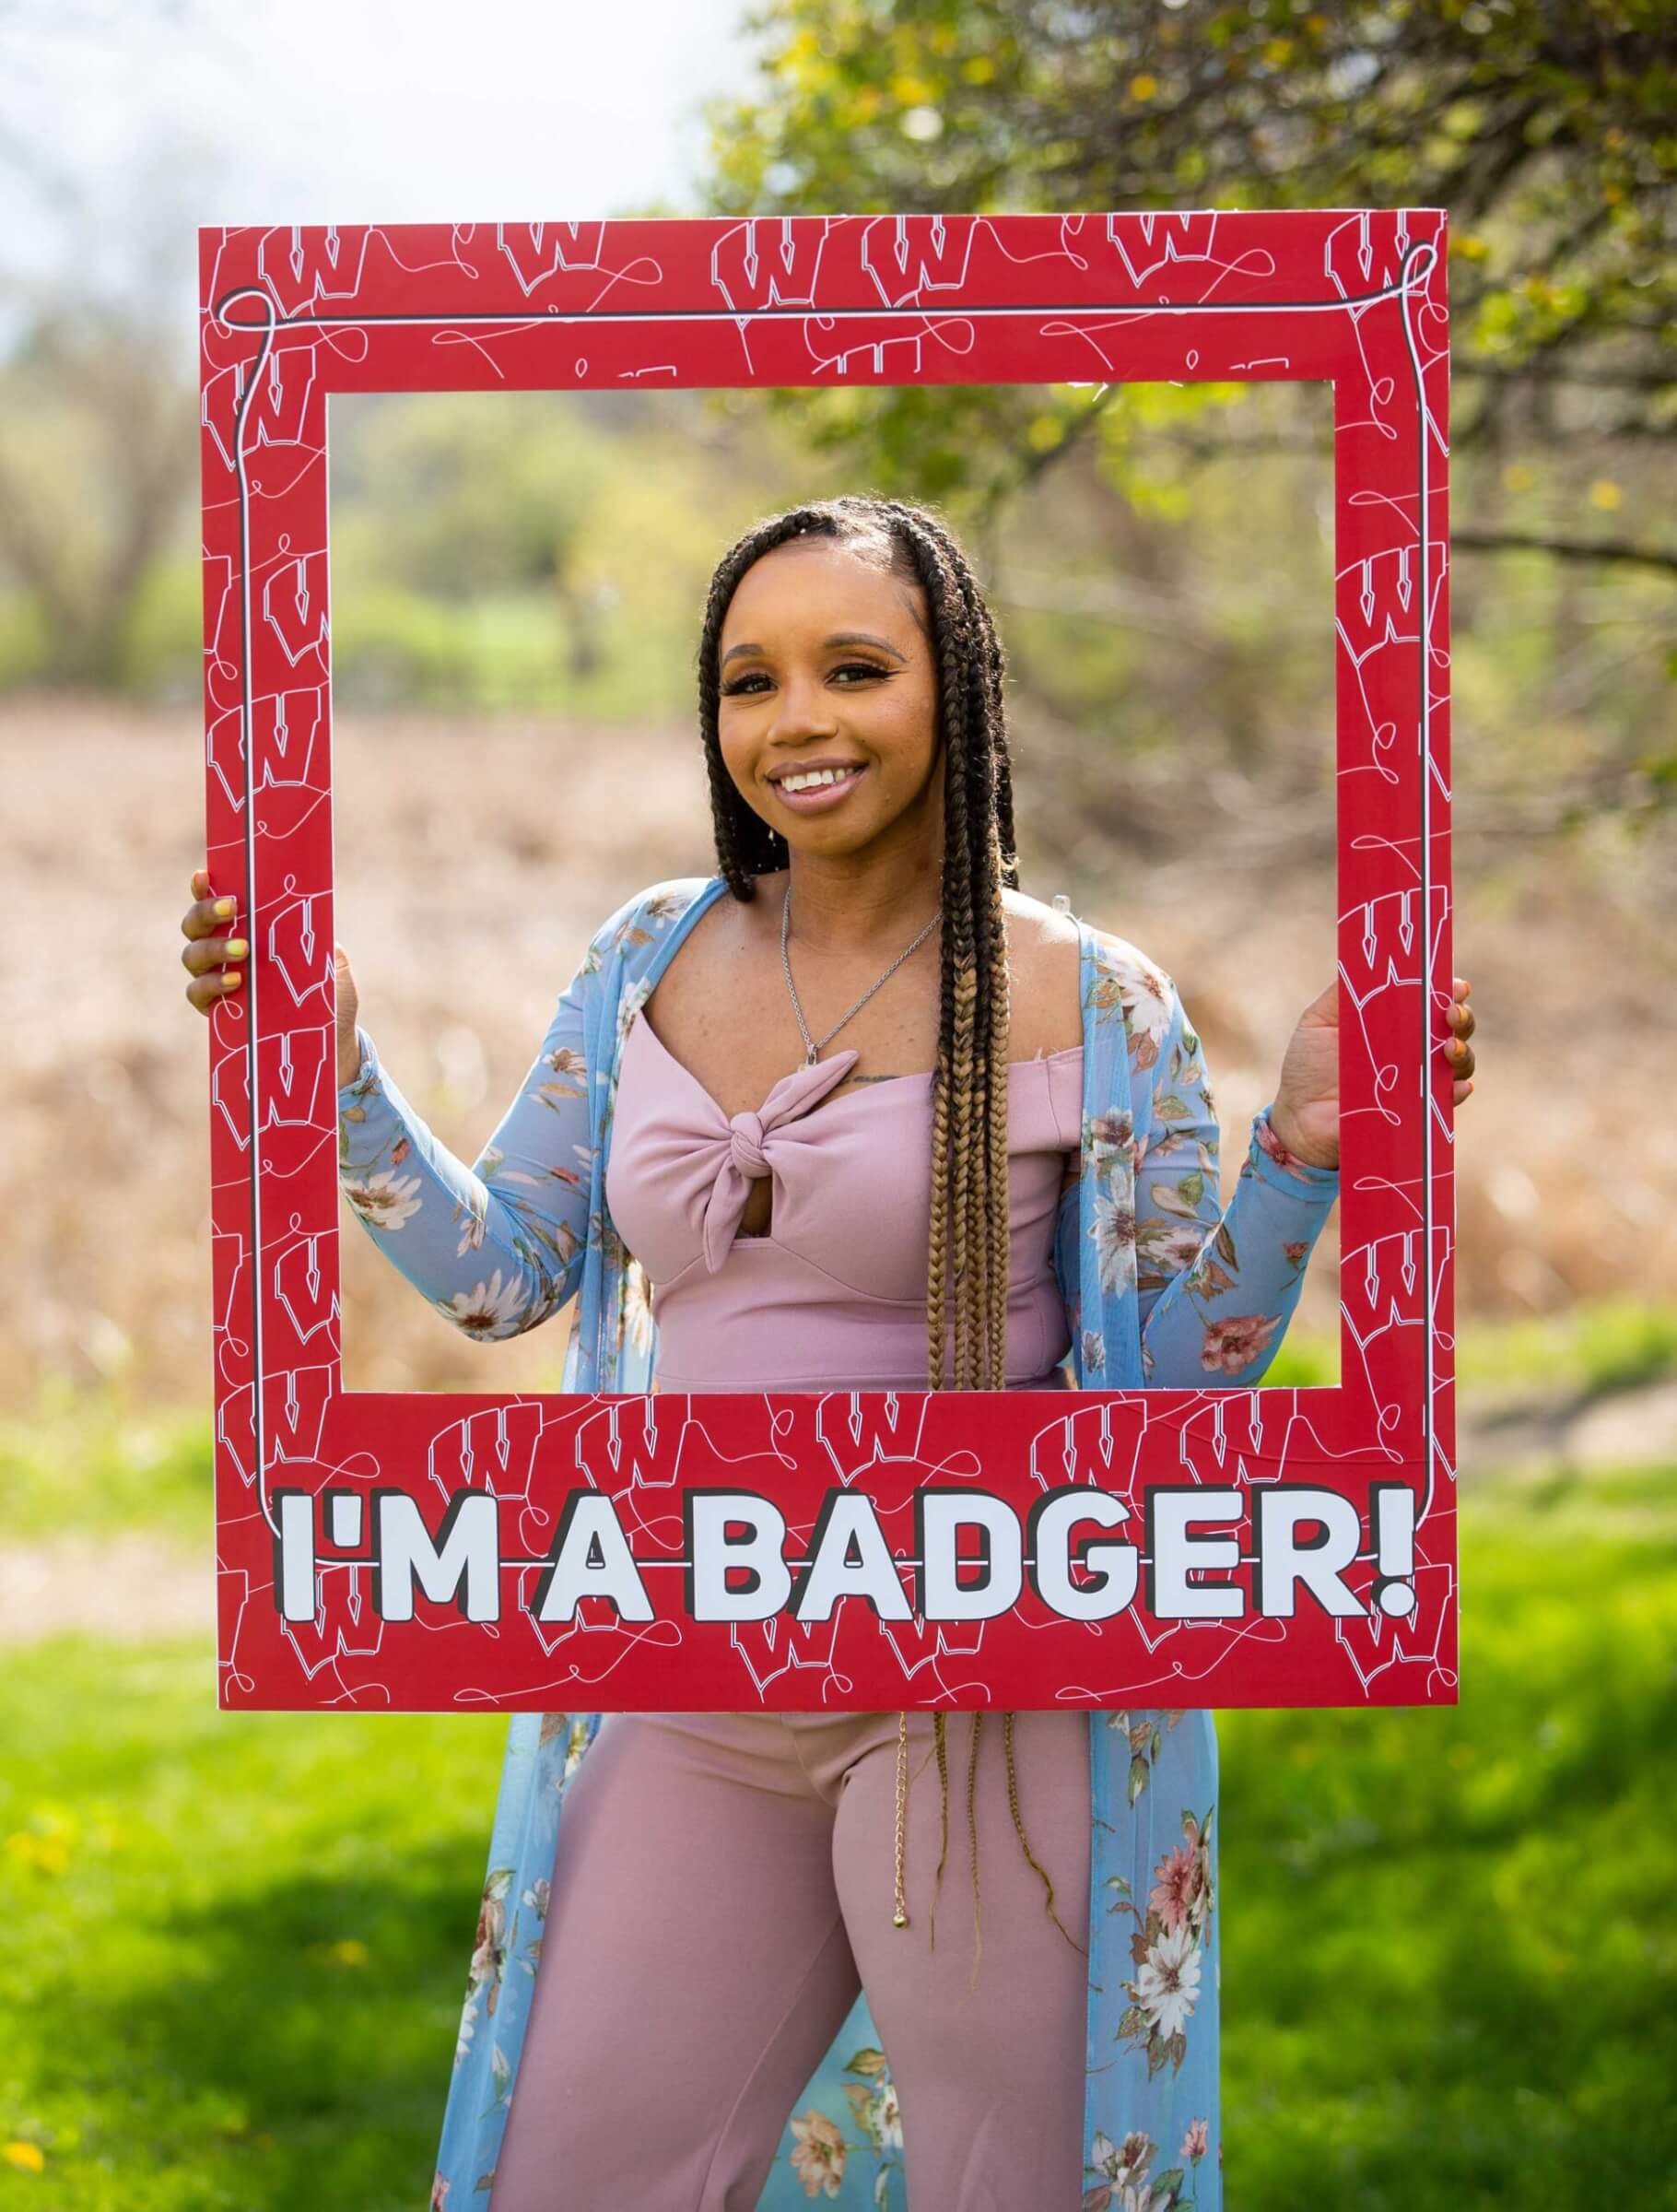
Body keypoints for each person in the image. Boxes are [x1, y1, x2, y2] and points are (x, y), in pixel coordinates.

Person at [181, 494, 1479, 2211]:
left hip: (977, 1686)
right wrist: (323, 1064)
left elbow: (1177, 1380)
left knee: (1004, 2188)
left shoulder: (1087, 995)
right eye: (750, 680)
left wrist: (1309, 1147)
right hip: (703, 1662)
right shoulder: (650, 952)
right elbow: (502, 1280)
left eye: (855, 669)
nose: (797, 721)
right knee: (577, 2175)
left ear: (958, 692)